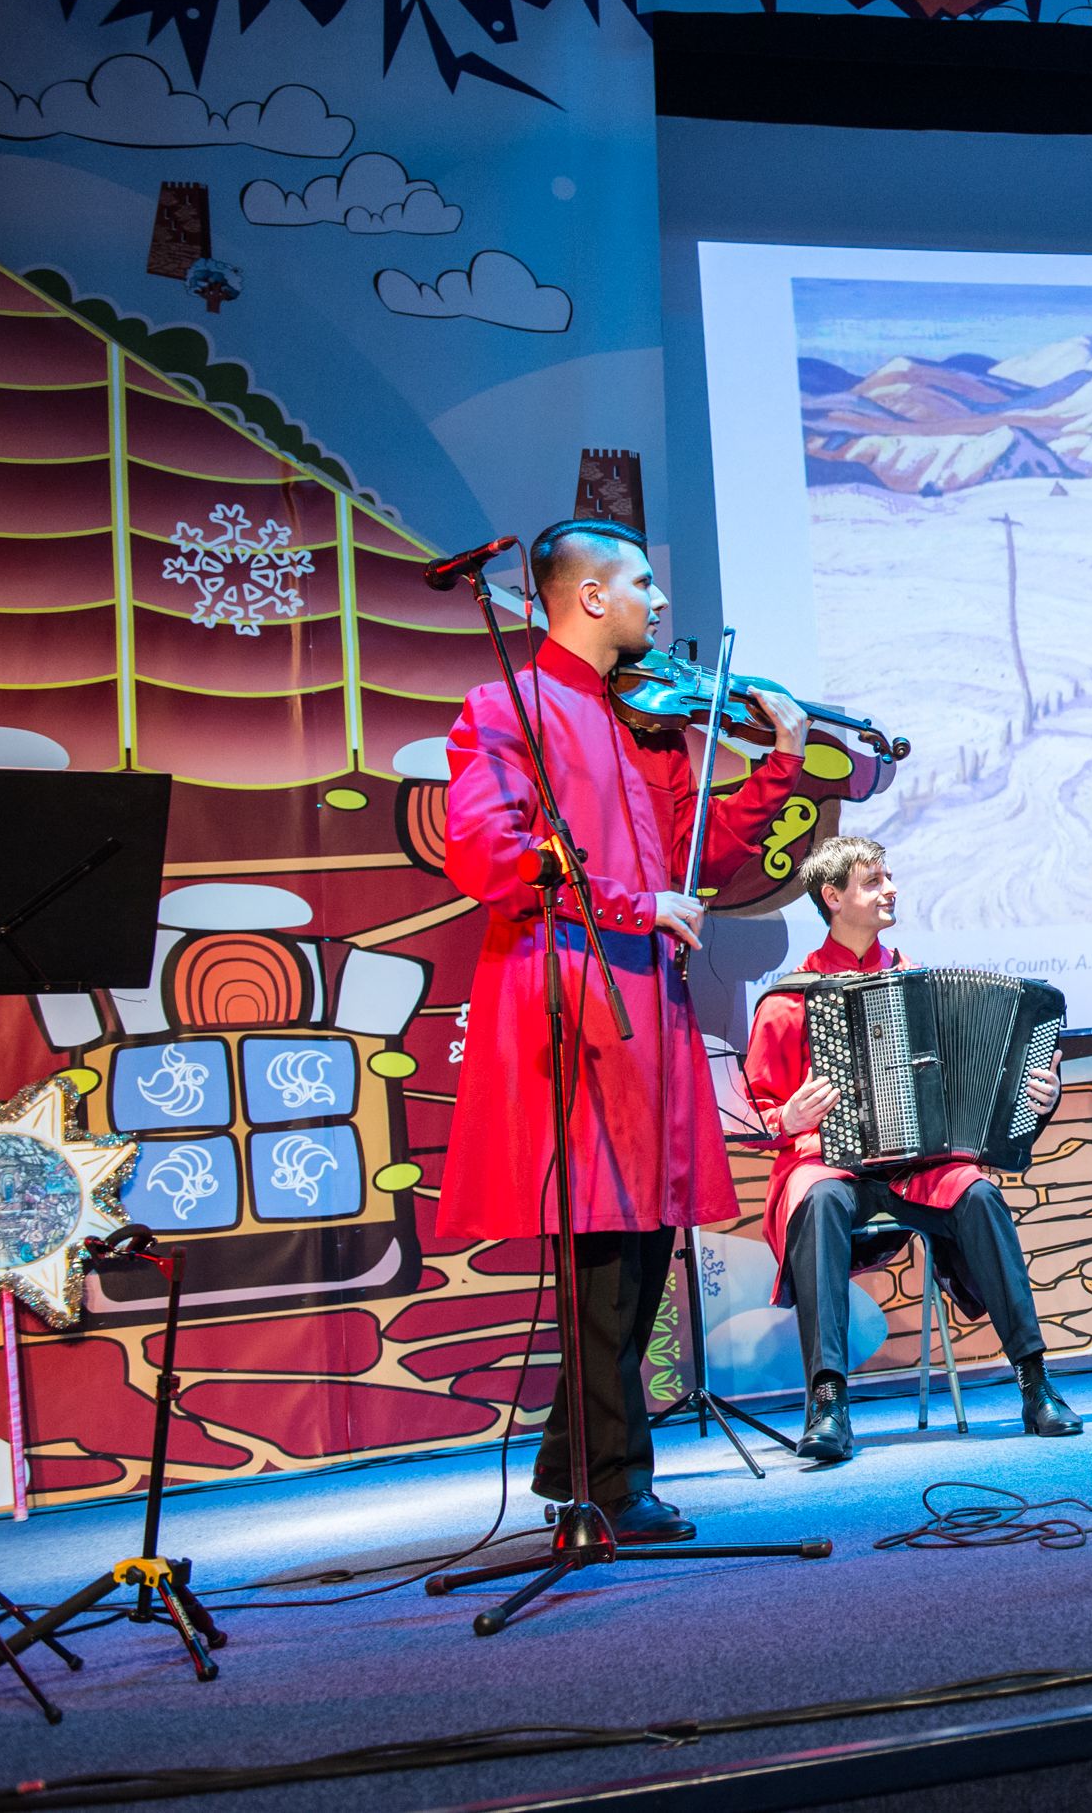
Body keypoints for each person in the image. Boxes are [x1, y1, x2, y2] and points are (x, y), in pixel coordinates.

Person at [438, 518, 807, 1543]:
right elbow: (489, 854)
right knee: (602, 1238)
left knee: (642, 1240)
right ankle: (613, 1482)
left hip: (649, 1000)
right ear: (592, 595)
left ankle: (573, 1457)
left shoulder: (646, 725)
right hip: (572, 995)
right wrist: (632, 904)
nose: (661, 599)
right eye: (644, 581)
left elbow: (705, 857)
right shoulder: (507, 706)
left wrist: (779, 764)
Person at [743, 835, 1072, 1460]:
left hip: (918, 1167)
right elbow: (756, 1115)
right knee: (818, 1201)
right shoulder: (789, 1000)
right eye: (873, 881)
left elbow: (974, 1090)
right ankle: (828, 1404)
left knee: (978, 1194)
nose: (890, 889)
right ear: (832, 896)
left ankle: (1036, 1384)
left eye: (888, 877)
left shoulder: (917, 984)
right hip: (828, 1164)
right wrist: (786, 1115)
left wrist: (1041, 1095)